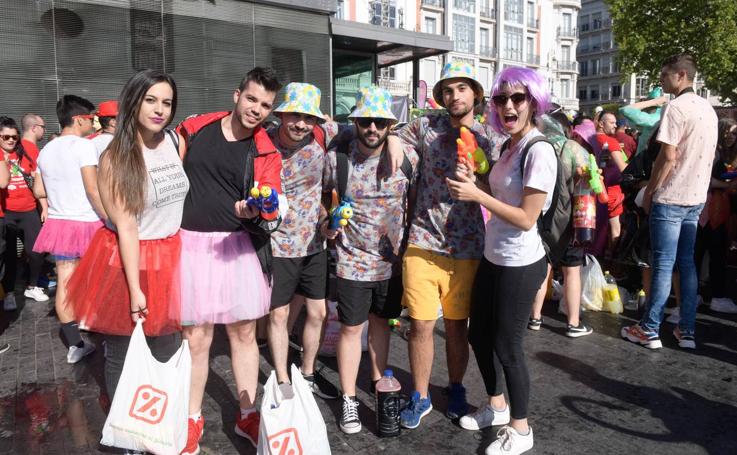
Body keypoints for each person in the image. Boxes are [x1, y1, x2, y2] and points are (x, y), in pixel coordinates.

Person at [64, 70, 188, 455]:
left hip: (169, 255)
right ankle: (128, 435)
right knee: (123, 351)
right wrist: (135, 289)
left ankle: (155, 426)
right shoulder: (115, 157)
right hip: (127, 260)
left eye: (166, 102)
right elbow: (127, 228)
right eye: (151, 100)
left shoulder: (172, 139)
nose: (159, 110)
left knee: (166, 346)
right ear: (133, 101)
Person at [446, 66, 556, 455]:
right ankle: (496, 406)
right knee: (479, 336)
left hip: (522, 264)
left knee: (508, 346)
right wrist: (473, 181)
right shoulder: (509, 146)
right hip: (494, 256)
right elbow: (499, 195)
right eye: (501, 99)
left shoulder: (539, 150)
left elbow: (527, 217)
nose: (508, 106)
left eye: (517, 98)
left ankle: (522, 430)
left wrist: (477, 196)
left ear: (534, 101)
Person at [175, 67, 283, 453]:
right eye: (252, 99)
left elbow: (271, 202)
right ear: (237, 94)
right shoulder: (194, 128)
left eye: (266, 105)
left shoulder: (266, 149)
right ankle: (191, 419)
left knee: (242, 334)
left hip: (236, 249)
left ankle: (247, 414)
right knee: (196, 338)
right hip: (189, 247)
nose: (256, 109)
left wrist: (257, 210)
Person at [394, 61, 502, 429]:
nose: (454, 96)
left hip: (469, 247)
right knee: (421, 325)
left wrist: (478, 182)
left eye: (461, 88)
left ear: (475, 93)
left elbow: (500, 194)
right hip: (423, 242)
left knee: (457, 327)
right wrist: (396, 148)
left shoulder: (491, 138)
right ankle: (420, 395)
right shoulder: (426, 127)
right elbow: (396, 141)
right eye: (447, 90)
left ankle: (455, 388)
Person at [322, 86, 418, 434]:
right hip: (351, 261)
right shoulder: (339, 160)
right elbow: (321, 198)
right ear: (356, 123)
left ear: (389, 125)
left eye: (380, 122)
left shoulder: (407, 157)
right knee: (350, 329)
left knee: (382, 325)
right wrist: (325, 222)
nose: (372, 128)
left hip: (391, 264)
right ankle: (349, 399)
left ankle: (379, 387)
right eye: (366, 121)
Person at [622, 54, 718, 350]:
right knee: (686, 263)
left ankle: (649, 328)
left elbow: (668, 156)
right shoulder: (708, 109)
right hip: (696, 196)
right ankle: (686, 330)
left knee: (663, 263)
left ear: (680, 76)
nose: (661, 80)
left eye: (664, 75)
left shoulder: (676, 108)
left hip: (672, 195)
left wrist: (650, 191)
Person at [265, 82, 341, 399]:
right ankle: (282, 377)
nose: (300, 124)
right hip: (277, 245)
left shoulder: (320, 142)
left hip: (313, 244)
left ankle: (307, 372)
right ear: (282, 115)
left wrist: (327, 220)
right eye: (295, 115)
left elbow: (365, 128)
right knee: (279, 315)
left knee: (318, 313)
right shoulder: (262, 143)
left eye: (308, 118)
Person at [32, 95, 106, 364]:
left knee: (65, 281)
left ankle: (75, 344)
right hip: (87, 223)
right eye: (90, 119)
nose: (93, 123)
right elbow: (92, 188)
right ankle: (103, 337)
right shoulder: (84, 147)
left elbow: (39, 189)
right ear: (78, 120)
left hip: (60, 223)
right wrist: (109, 217)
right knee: (98, 281)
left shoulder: (46, 150)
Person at [528, 112, 593, 338]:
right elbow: (592, 184)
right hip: (572, 220)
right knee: (572, 270)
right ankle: (573, 323)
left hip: (544, 218)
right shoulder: (574, 149)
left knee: (544, 266)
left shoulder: (537, 146)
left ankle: (535, 316)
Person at [0, 116, 48, 309]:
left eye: (14, 136)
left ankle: (32, 285)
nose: (11, 140)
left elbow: (37, 179)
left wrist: (43, 206)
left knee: (36, 251)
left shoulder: (26, 151)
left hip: (28, 210)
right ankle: (9, 291)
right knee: (9, 255)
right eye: (6, 137)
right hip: (6, 213)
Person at [694, 118, 737, 314]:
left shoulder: (730, 155)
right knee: (700, 252)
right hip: (707, 210)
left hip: (721, 209)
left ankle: (712, 295)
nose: (730, 136)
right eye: (727, 131)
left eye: (734, 133)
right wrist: (726, 185)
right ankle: (701, 295)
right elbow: (703, 178)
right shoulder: (713, 151)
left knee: (716, 254)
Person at [595, 111, 628, 255]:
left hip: (592, 188)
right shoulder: (610, 141)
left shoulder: (589, 139)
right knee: (615, 229)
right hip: (611, 190)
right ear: (601, 124)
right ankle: (613, 264)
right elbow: (623, 168)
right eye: (612, 122)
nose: (616, 125)